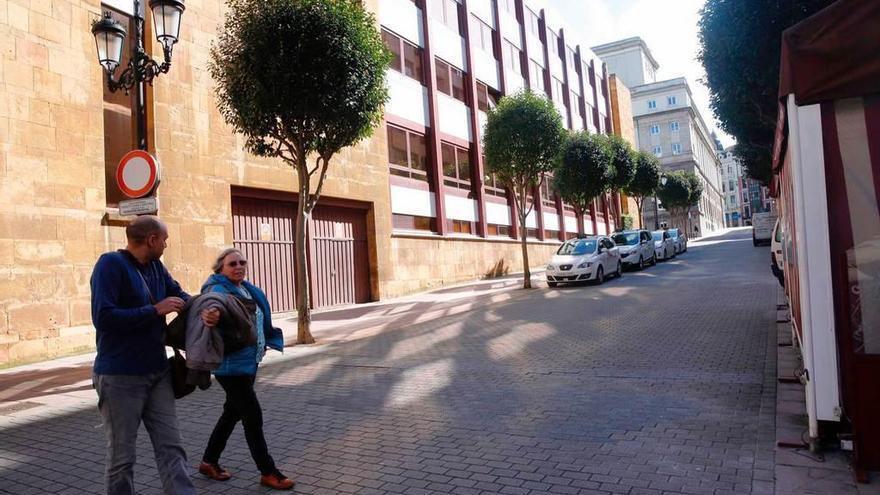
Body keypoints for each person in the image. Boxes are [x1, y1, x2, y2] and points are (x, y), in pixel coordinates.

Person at [90, 215, 219, 495]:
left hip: (158, 373)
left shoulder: (156, 267)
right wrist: (154, 310)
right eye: (165, 240)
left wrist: (207, 309)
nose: (166, 245)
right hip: (119, 377)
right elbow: (103, 317)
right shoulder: (110, 265)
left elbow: (181, 296)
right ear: (152, 240)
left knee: (171, 446)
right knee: (122, 457)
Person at [198, 248, 292, 490]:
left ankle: (209, 461)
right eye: (232, 264)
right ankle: (268, 471)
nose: (238, 266)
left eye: (242, 262)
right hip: (231, 367)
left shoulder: (245, 288)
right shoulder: (217, 289)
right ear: (221, 268)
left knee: (232, 413)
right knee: (253, 416)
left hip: (249, 362)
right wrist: (211, 315)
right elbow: (212, 306)